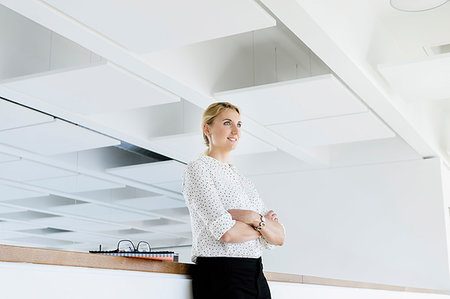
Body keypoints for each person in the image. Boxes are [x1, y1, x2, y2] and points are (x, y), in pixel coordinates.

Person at [182, 102, 285, 299]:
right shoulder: (198, 169)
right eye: (227, 123)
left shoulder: (242, 179)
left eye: (239, 124)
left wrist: (253, 218)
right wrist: (263, 228)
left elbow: (279, 237)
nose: (235, 130)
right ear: (207, 128)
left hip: (256, 275)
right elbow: (226, 233)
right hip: (222, 275)